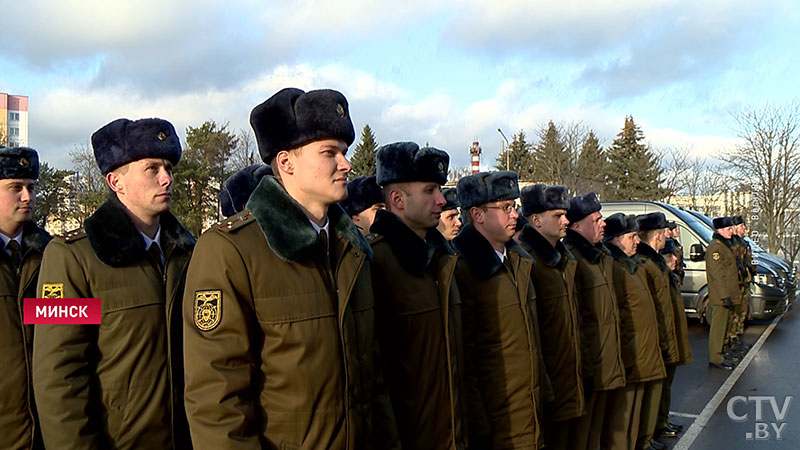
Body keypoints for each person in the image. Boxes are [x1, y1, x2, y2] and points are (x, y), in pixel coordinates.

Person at [182, 88, 397, 449]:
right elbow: (217, 398)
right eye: (329, 153)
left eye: (344, 152)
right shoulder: (231, 250)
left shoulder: (351, 249)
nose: (345, 164)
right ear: (286, 163)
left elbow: (373, 379)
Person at [33, 118, 195, 448]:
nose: (167, 178)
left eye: (168, 167)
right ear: (116, 181)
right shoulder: (68, 258)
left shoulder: (190, 253)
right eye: (152, 168)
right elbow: (57, 375)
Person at [368, 142, 465, 449]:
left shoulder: (441, 258)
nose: (441, 199)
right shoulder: (374, 262)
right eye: (430, 190)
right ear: (397, 198)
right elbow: (373, 375)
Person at [452, 171, 546, 449]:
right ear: (477, 215)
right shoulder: (462, 268)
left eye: (514, 207)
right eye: (505, 208)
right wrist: (478, 422)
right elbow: (465, 356)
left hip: (529, 410)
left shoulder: (519, 262)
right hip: (496, 420)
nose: (515, 215)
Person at [517, 184, 584, 450]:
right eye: (557, 216)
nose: (566, 220)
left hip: (569, 373)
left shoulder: (564, 259)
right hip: (549, 381)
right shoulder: (528, 261)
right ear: (536, 220)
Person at [562, 193, 627, 450]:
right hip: (591, 366)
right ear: (577, 226)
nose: (603, 224)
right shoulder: (574, 258)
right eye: (596, 219)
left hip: (606, 364)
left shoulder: (599, 256)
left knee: (596, 435)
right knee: (582, 439)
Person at [0, 146, 51, 450]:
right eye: (15, 188)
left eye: (31, 187)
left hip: (46, 429)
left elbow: (70, 322)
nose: (27, 197)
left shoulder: (53, 256)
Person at [604, 213, 666, 450]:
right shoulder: (615, 268)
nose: (637, 241)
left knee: (634, 417)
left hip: (643, 351)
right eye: (631, 237)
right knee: (622, 419)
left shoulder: (633, 266)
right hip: (631, 355)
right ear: (617, 240)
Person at [634, 213, 678, 450]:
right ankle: (645, 437)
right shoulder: (646, 264)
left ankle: (655, 429)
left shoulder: (655, 262)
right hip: (653, 335)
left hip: (662, 331)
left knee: (662, 385)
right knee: (651, 391)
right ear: (659, 235)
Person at [656, 238, 692, 437]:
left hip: (671, 336)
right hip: (663, 338)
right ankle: (658, 423)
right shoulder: (661, 276)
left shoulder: (670, 277)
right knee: (660, 387)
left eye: (674, 256)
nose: (674, 260)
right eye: (669, 256)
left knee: (667, 385)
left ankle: (663, 419)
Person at [706, 216, 739, 370]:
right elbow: (717, 274)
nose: (731, 232)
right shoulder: (716, 247)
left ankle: (719, 354)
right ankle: (715, 357)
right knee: (718, 328)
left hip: (727, 293)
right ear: (719, 230)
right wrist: (725, 295)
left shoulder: (724, 245)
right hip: (721, 296)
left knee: (723, 326)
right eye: (728, 229)